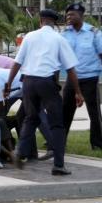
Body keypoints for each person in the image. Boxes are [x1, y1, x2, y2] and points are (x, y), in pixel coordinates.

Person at [5, 9, 84, 176]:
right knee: (57, 124)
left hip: (28, 82)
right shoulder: (59, 39)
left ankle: (19, 152)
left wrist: (8, 84)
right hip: (46, 82)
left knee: (30, 118)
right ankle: (59, 165)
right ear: (53, 23)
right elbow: (70, 69)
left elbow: (17, 63)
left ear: (40, 21)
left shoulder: (29, 36)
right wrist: (78, 92)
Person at [62, 3, 102, 150]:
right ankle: (60, 141)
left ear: (81, 16)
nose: (69, 17)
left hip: (90, 78)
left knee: (94, 112)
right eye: (67, 15)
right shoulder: (65, 34)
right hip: (71, 79)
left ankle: (97, 143)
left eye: (72, 14)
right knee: (65, 110)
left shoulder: (94, 33)